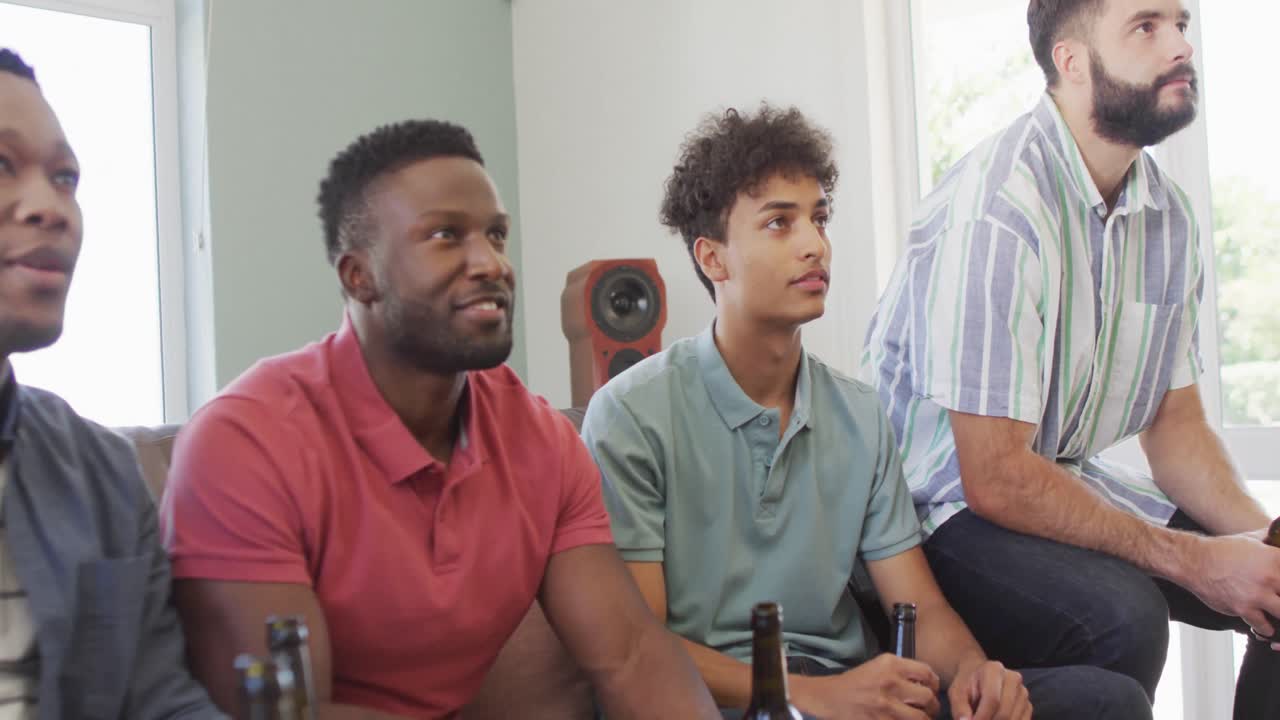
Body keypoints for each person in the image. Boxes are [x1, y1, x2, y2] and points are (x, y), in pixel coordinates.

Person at [582, 103, 1148, 720]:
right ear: (712, 258)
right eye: (779, 223)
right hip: (721, 703)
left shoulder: (858, 414)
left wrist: (972, 672)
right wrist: (815, 696)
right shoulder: (631, 415)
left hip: (856, 691)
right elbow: (640, 648)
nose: (814, 245)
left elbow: (923, 607)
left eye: (819, 219)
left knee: (1107, 701)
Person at [161, 118, 719, 719]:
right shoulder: (245, 443)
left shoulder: (543, 442)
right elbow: (290, 712)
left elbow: (631, 655)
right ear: (358, 276)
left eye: (497, 235)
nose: (491, 263)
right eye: (446, 235)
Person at [862, 1, 1280, 717]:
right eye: (1146, 26)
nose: (1180, 45)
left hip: (1047, 477)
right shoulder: (999, 207)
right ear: (1072, 61)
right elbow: (993, 474)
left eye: (1180, 24)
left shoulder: (1168, 217)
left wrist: (1264, 545)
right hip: (933, 508)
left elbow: (1175, 428)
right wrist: (1197, 561)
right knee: (1125, 616)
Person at [0, 48, 224, 718]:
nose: (51, 207)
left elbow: (159, 699)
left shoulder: (103, 473)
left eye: (64, 178)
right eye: (2, 166)